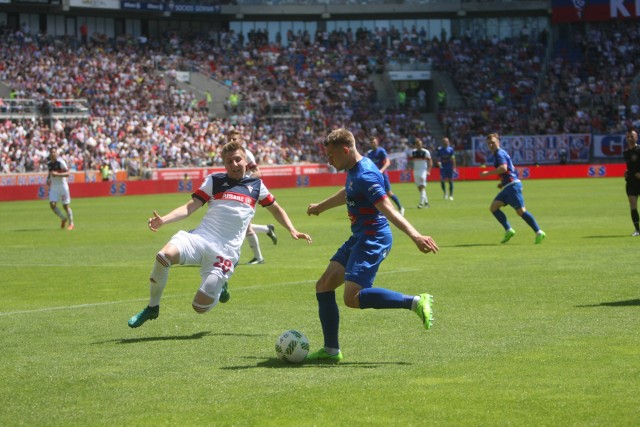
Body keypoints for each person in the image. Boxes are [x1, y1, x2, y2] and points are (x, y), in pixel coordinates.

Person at [127, 140, 312, 328]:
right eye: (229, 161)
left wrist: (292, 229)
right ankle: (152, 307)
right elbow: (190, 207)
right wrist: (163, 220)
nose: (234, 164)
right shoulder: (215, 180)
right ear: (224, 164)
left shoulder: (256, 186)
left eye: (238, 159)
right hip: (200, 238)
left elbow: (276, 209)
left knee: (199, 306)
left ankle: (221, 286)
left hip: (226, 252)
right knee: (163, 256)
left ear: (246, 160)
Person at [305, 128, 439, 362]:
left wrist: (415, 236)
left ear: (346, 150)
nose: (329, 160)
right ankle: (331, 351)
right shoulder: (355, 169)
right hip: (360, 235)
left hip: (373, 237)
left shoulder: (366, 174)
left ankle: (415, 302)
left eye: (331, 156)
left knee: (352, 298)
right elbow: (348, 192)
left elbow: (388, 209)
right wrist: (321, 207)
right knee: (324, 285)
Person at [480, 133, 545, 244]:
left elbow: (504, 168)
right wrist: (502, 183)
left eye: (493, 143)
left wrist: (487, 173)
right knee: (494, 208)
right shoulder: (499, 153)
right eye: (489, 143)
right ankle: (508, 230)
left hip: (512, 186)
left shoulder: (499, 154)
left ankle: (539, 232)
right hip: (507, 186)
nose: (491, 145)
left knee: (521, 212)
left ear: (498, 143)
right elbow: (508, 170)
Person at [227, 129, 278, 265]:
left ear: (241, 141)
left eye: (234, 139)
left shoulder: (246, 154)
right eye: (229, 139)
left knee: (245, 226)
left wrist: (244, 182)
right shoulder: (230, 154)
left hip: (248, 191)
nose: (231, 141)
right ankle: (267, 229)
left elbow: (257, 173)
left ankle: (258, 258)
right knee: (239, 224)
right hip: (239, 191)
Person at [366, 136, 405, 216]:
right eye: (372, 142)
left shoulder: (381, 151)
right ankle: (379, 212)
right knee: (375, 193)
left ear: (377, 142)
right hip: (374, 177)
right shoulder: (369, 154)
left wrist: (381, 170)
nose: (373, 143)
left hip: (383, 175)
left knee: (389, 193)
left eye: (374, 142)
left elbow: (387, 162)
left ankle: (400, 207)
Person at [47, 146, 74, 230]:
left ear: (57, 153)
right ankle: (63, 218)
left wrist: (57, 174)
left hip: (62, 186)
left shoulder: (61, 162)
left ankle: (71, 223)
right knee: (52, 205)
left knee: (65, 206)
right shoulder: (49, 163)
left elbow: (68, 173)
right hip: (54, 187)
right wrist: (48, 179)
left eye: (54, 152)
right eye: (51, 152)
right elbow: (50, 173)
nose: (53, 153)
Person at [623, 129, 640, 236]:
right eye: (628, 137)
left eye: (632, 136)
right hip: (631, 182)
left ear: (637, 137)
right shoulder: (626, 152)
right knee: (633, 205)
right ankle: (637, 230)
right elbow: (630, 166)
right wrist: (627, 173)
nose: (630, 139)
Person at [407, 138, 432, 208]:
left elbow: (430, 161)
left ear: (422, 145)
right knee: (419, 188)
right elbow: (410, 160)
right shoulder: (413, 152)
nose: (419, 146)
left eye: (420, 144)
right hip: (416, 171)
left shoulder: (425, 152)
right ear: (415, 145)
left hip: (423, 170)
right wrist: (409, 166)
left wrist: (428, 171)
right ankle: (426, 202)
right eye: (418, 144)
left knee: (422, 186)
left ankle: (421, 203)